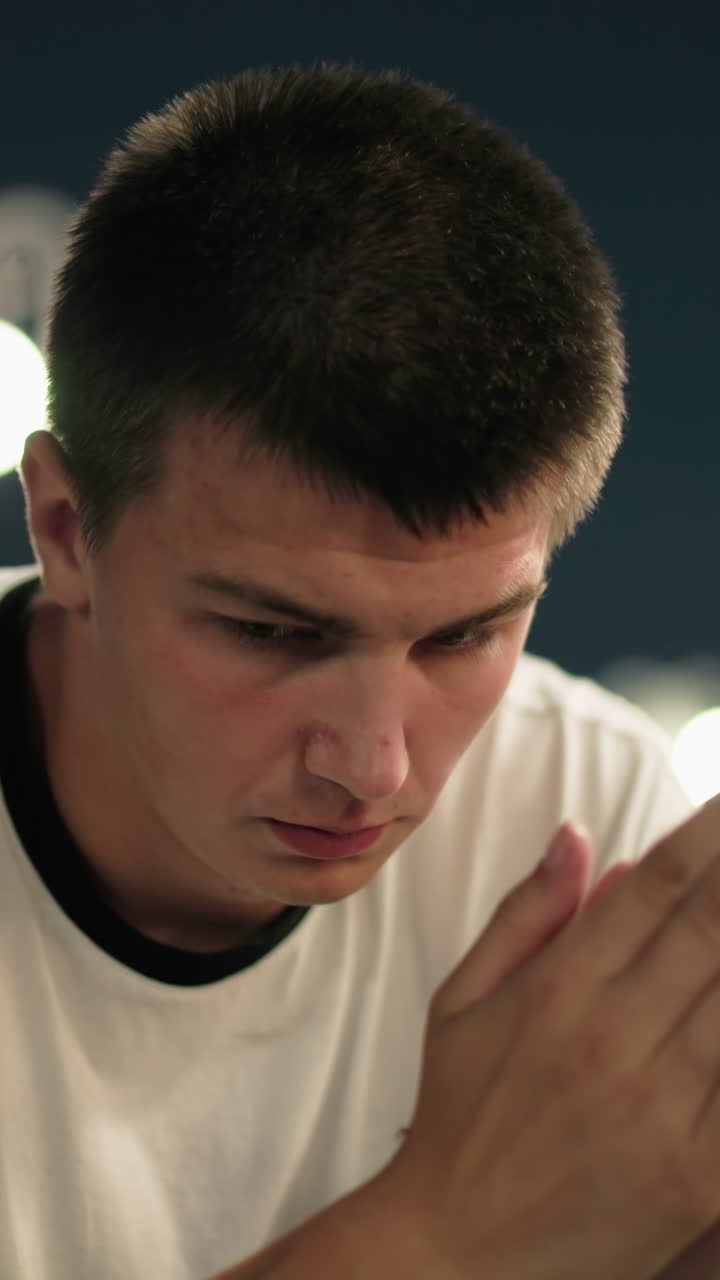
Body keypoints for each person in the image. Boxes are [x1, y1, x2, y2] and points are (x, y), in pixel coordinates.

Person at [2, 63, 717, 1280]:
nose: (375, 764)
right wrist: (446, 1232)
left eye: (464, 634)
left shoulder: (598, 834)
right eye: (273, 633)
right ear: (68, 530)